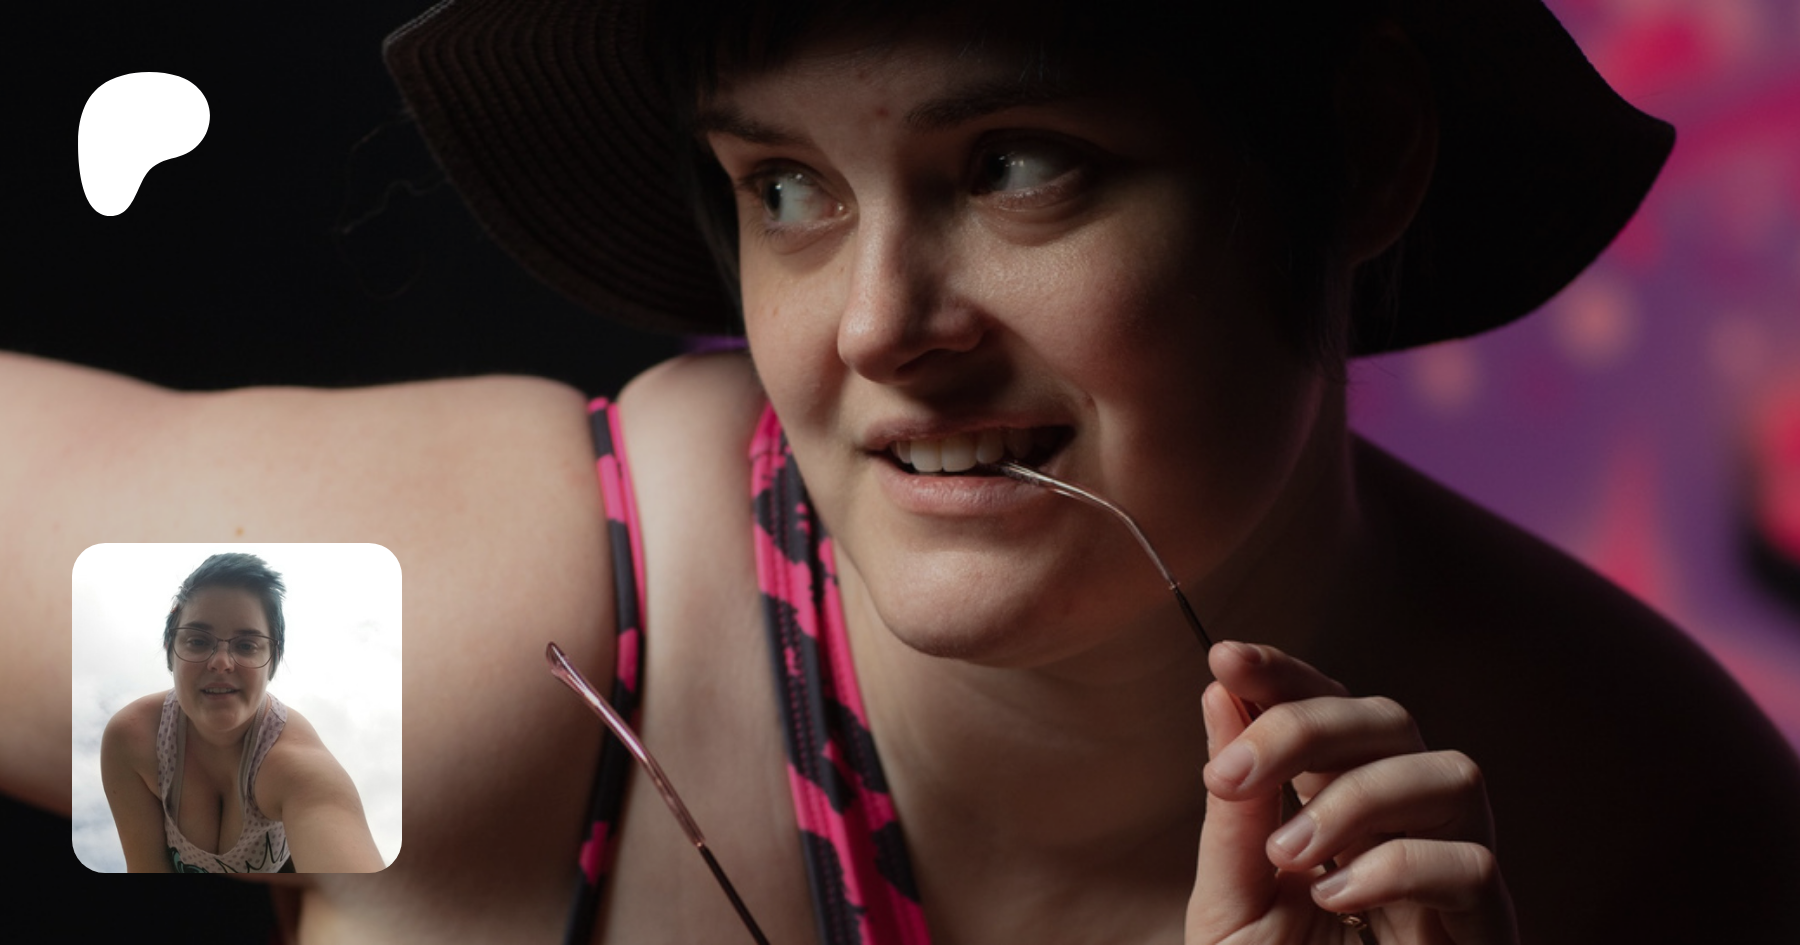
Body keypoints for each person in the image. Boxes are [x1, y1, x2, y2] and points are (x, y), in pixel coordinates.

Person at [3, 0, 1795, 939]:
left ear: (1365, 153)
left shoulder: (1642, 845)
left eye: (1018, 163)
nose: (876, 325)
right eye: (784, 186)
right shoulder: (493, 666)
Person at [97, 553, 384, 873]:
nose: (221, 662)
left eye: (246, 645)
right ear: (170, 651)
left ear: (273, 660)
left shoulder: (295, 764)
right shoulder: (134, 740)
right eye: (197, 641)